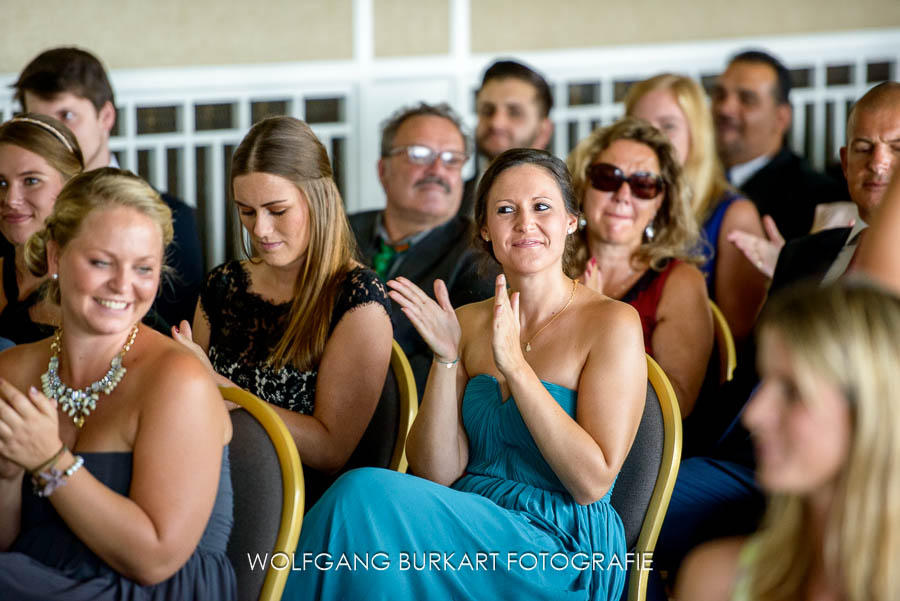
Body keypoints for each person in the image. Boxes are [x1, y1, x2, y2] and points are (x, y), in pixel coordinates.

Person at [282, 148, 646, 600]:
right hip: (466, 519)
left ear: (571, 220)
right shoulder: (469, 321)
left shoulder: (612, 323)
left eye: (542, 207)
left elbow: (592, 483)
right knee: (365, 523)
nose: (525, 223)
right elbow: (435, 474)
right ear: (485, 229)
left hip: (558, 546)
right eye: (505, 210)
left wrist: (514, 366)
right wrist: (446, 359)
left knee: (363, 495)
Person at [644, 81, 900, 601]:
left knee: (625, 522)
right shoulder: (805, 254)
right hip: (743, 457)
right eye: (863, 148)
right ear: (843, 161)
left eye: (898, 148)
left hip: (854, 472)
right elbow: (751, 381)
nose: (877, 164)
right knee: (623, 500)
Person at [0, 168, 235, 600]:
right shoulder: (11, 371)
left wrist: (49, 460)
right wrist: (8, 475)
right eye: (101, 262)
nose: (123, 285)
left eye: (143, 268)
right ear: (55, 257)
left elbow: (155, 560)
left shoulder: (179, 382)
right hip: (29, 575)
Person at [174, 116, 392, 508]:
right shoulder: (224, 284)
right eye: (246, 211)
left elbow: (330, 452)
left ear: (319, 200)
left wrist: (222, 388)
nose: (259, 229)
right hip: (208, 478)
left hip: (298, 504)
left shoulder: (356, 298)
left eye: (277, 210)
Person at [675, 282, 900, 601]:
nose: (754, 415)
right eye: (766, 382)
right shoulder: (713, 579)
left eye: (792, 392)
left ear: (870, 413)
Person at [14, 47, 204, 327]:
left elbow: (178, 330)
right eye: (40, 122)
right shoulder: (14, 215)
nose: (54, 134)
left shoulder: (174, 216)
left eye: (66, 116)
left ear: (105, 117)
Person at [568, 116, 712, 417]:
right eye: (608, 177)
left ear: (660, 201)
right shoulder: (550, 265)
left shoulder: (679, 282)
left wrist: (596, 318)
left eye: (643, 185)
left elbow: (675, 406)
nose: (622, 196)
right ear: (584, 185)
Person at [349, 102, 496, 396]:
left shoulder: (481, 255)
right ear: (383, 170)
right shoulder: (340, 230)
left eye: (452, 159)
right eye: (420, 155)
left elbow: (451, 369)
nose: (437, 170)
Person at [625, 74, 767, 342]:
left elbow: (739, 340)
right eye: (639, 127)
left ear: (696, 134)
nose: (652, 139)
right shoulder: (615, 206)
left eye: (668, 126)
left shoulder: (734, 214)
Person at [712, 50, 846, 243]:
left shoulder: (814, 200)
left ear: (781, 118)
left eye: (746, 99)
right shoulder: (693, 174)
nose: (724, 108)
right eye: (719, 94)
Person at [0, 114, 84, 344]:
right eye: (1, 183)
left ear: (71, 186)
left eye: (31, 181)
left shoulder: (94, 289)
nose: (11, 199)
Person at [458, 59, 554, 216]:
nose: (496, 123)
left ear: (544, 130)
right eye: (487, 110)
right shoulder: (450, 203)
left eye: (514, 112)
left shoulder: (570, 203)